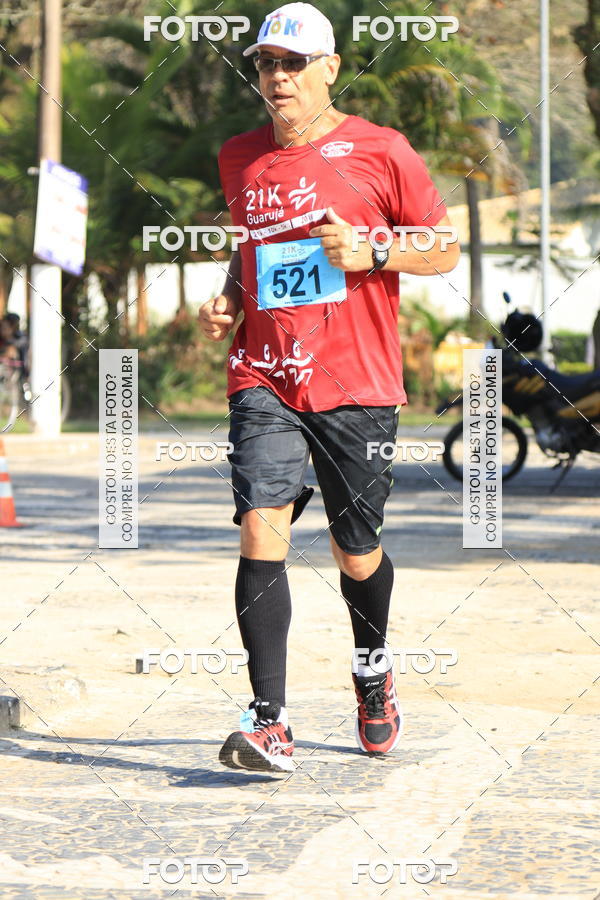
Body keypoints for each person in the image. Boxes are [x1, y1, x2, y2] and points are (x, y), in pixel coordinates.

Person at [199, 2, 460, 773]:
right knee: (260, 529)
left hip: (357, 383)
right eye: (266, 63)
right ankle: (270, 721)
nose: (278, 77)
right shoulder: (239, 156)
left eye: (294, 63)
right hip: (265, 375)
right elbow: (250, 248)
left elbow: (444, 247)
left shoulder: (381, 150)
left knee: (356, 551)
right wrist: (230, 300)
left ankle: (373, 672)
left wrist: (372, 250)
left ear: (331, 69)